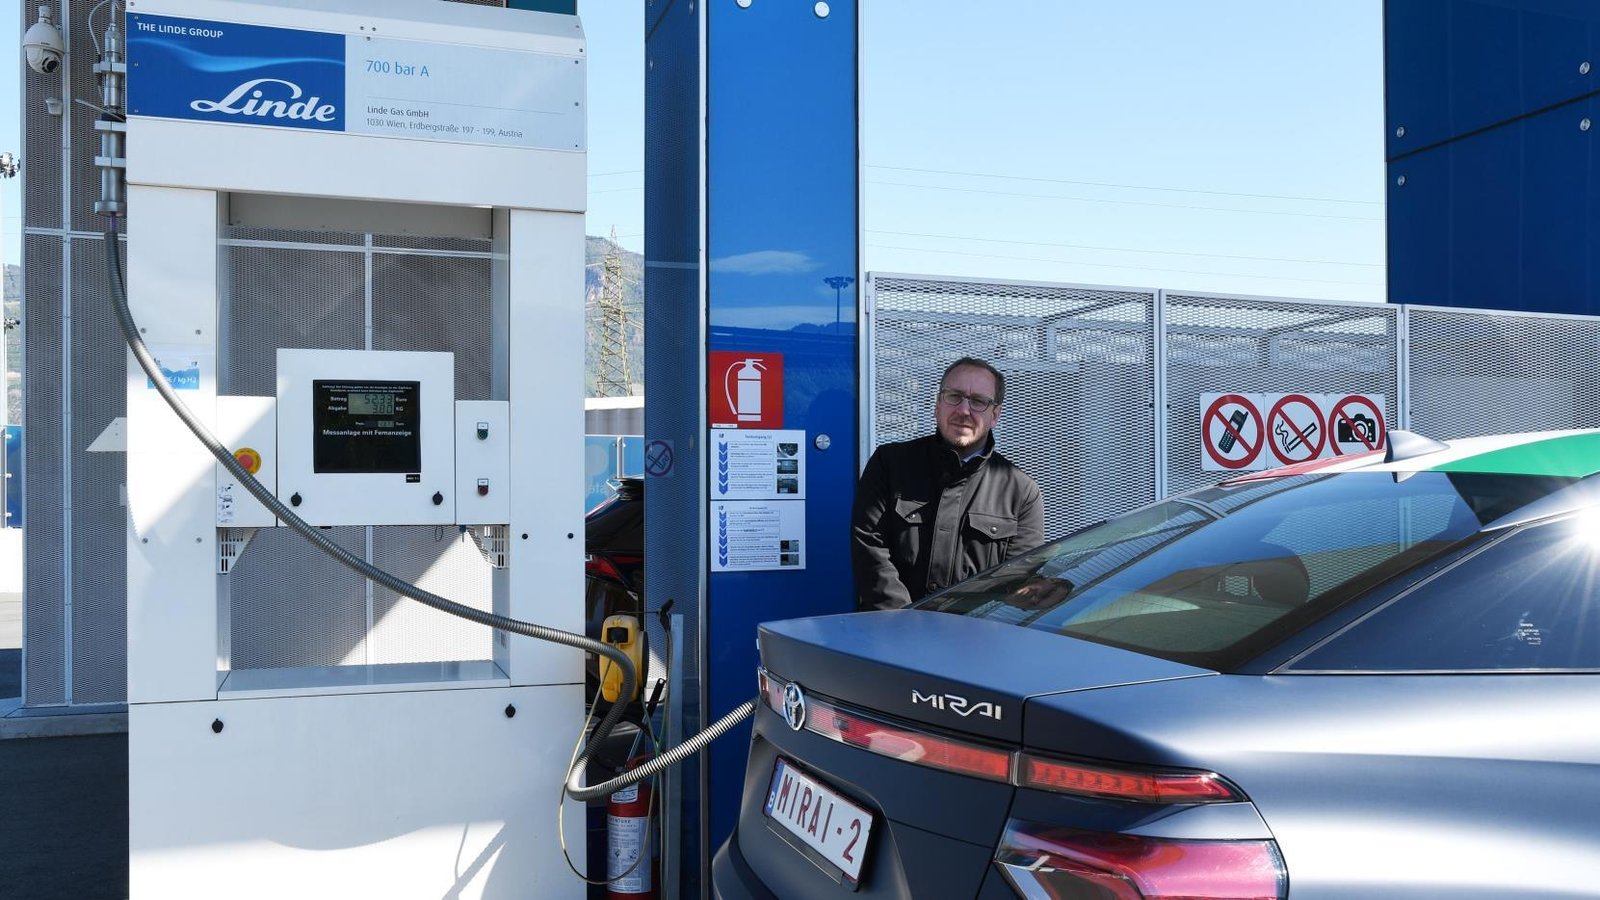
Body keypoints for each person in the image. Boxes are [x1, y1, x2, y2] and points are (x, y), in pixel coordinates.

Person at [851, 356, 1044, 611]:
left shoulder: (1022, 493)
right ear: (937, 404)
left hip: (975, 633)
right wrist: (903, 621)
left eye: (978, 401)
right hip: (889, 629)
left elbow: (1016, 579)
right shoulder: (889, 464)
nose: (963, 411)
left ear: (995, 415)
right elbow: (870, 548)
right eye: (954, 396)